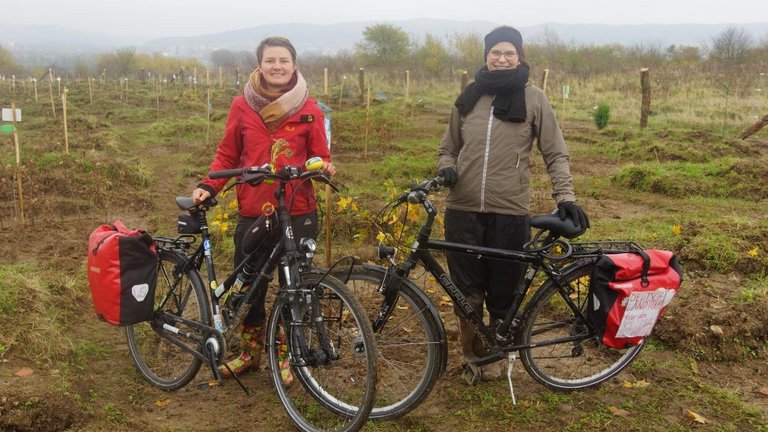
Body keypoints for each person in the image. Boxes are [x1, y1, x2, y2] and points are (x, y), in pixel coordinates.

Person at [436, 25, 589, 382]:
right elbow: (448, 148)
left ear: (519, 56)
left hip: (510, 212)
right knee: (466, 292)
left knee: (504, 292)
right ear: (486, 56)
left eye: (509, 53)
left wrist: (565, 196)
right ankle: (474, 358)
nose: (502, 59)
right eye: (495, 52)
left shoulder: (534, 99)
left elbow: (555, 153)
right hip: (462, 210)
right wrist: (447, 169)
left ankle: (499, 352)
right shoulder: (469, 96)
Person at [192, 36, 335, 382]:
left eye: (283, 60)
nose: (277, 66)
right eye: (270, 60)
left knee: (294, 283)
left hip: (298, 209)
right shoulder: (242, 106)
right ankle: (250, 352)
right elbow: (228, 154)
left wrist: (323, 168)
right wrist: (208, 185)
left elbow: (320, 155)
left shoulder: (310, 108)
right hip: (255, 209)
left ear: (294, 65)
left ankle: (285, 353)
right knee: (249, 283)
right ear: (260, 65)